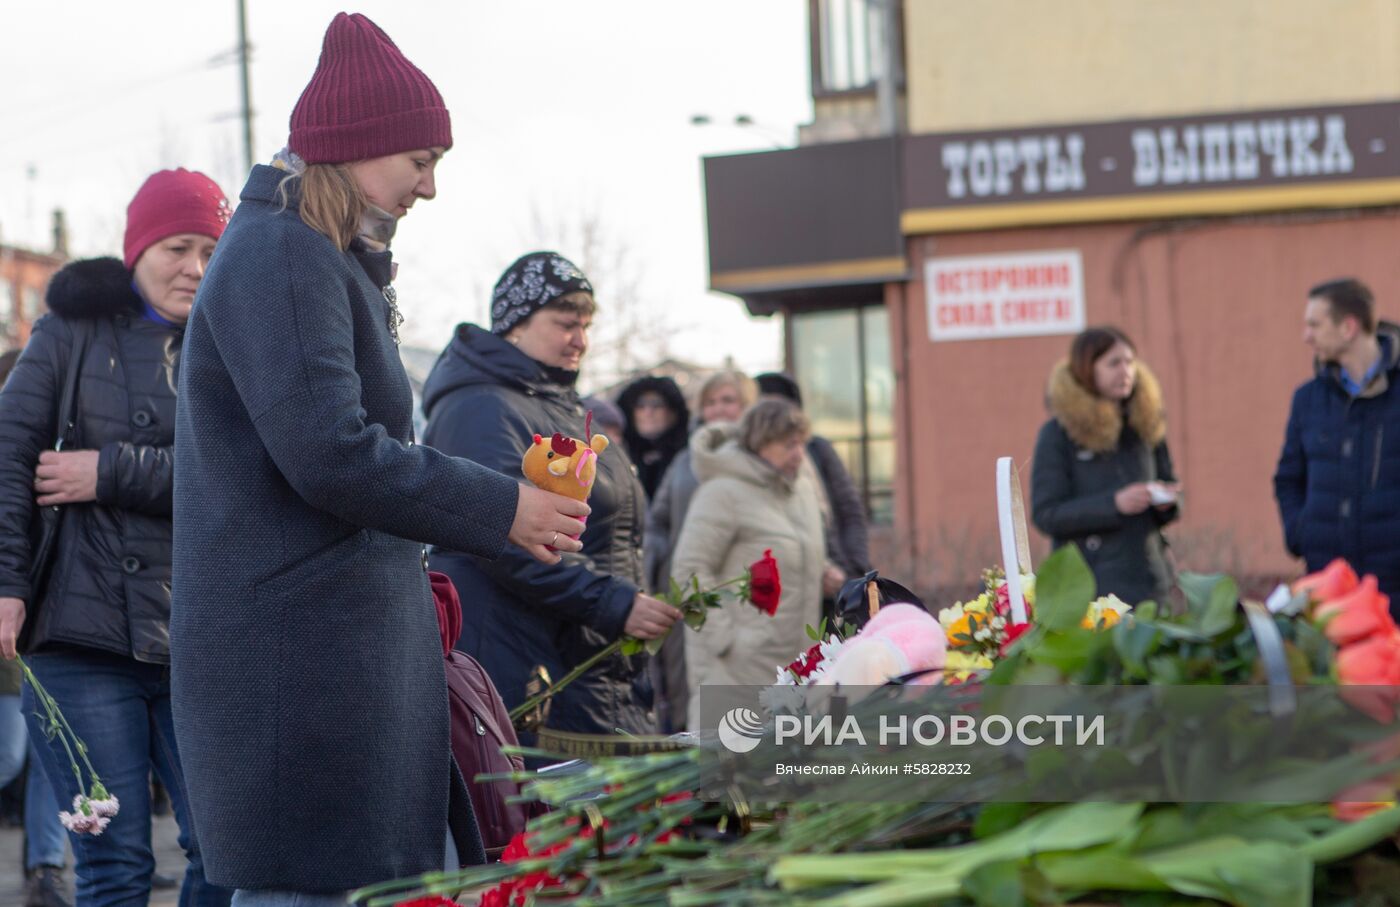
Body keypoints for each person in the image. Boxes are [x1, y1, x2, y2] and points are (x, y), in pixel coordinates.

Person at [170, 15, 589, 905]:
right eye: (419, 161)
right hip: (300, 672)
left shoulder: (315, 254)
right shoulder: (282, 254)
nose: (429, 188)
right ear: (359, 148)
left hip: (326, 661)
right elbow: (331, 453)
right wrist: (500, 507)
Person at [0, 170, 231, 907]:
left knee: (225, 851)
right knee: (115, 865)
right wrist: (6, 584)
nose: (194, 266)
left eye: (209, 249)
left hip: (200, 638)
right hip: (78, 636)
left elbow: (243, 476)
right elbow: (8, 455)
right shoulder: (70, 333)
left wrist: (113, 470)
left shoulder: (232, 344)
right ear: (137, 250)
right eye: (176, 246)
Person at [422, 252, 680, 740]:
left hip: (584, 659)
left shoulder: (558, 403)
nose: (580, 340)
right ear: (516, 325)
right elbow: (502, 536)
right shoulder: (481, 408)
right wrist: (614, 602)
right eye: (566, 324)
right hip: (531, 667)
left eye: (586, 325)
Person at [671, 399, 825, 729]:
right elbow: (688, 571)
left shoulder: (802, 493)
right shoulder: (721, 493)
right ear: (760, 443)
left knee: (792, 776)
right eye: (788, 444)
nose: (799, 454)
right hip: (735, 674)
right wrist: (726, 640)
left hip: (795, 669)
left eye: (801, 443)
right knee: (730, 776)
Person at [1275, 278, 1400, 616]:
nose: (1306, 336)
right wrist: (1301, 532)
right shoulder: (1308, 400)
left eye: (1315, 324)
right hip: (1329, 590)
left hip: (1394, 591)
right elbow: (1287, 479)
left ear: (1348, 328)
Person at [1031, 327, 1180, 604]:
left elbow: (1170, 485)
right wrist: (1114, 504)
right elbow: (1047, 513)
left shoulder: (1146, 423)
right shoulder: (1059, 433)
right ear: (1088, 369)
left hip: (1150, 581)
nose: (1125, 370)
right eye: (1114, 363)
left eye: (1130, 361)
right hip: (1089, 588)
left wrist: (1166, 502)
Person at [643, 369, 756, 731]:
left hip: (747, 590)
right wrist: (649, 572)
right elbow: (657, 522)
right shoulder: (684, 461)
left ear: (747, 405)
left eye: (728, 400)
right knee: (687, 688)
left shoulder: (763, 458)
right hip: (688, 592)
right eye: (710, 402)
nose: (718, 410)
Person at [0, 348, 70, 907]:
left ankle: (46, 868)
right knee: (11, 755)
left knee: (47, 754)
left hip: (49, 629)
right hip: (12, 627)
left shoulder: (58, 451)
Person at [754, 372, 871, 602]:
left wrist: (855, 571)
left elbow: (850, 509)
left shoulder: (817, 449)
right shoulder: (750, 464)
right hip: (791, 588)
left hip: (839, 573)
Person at [617, 376, 689, 500]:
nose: (648, 412)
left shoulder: (688, 455)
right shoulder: (620, 454)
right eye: (640, 406)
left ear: (674, 412)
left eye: (657, 405)